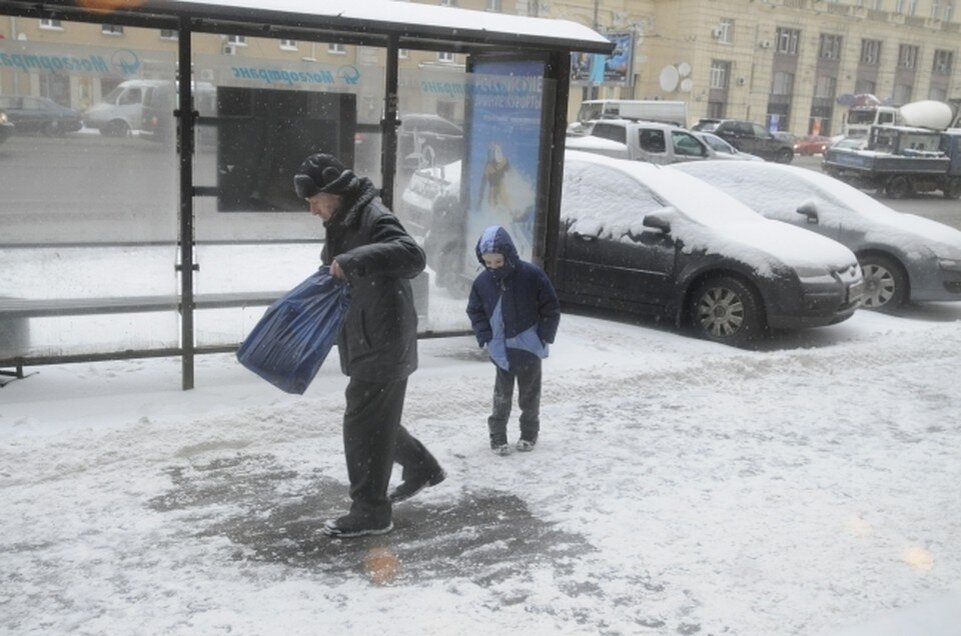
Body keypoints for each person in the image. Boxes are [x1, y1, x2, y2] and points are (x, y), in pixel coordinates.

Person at [293, 152, 445, 538]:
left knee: (362, 423)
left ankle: (372, 511)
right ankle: (421, 465)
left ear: (331, 192)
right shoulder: (346, 218)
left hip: (384, 337)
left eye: (314, 203)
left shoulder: (373, 215)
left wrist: (354, 259)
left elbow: (412, 256)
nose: (313, 211)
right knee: (372, 416)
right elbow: (343, 263)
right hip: (367, 334)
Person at [466, 225, 560, 455]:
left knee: (530, 395)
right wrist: (485, 336)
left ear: (509, 255)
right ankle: (497, 436)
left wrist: (544, 335)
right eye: (488, 263)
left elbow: (550, 306)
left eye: (498, 262)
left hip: (529, 347)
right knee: (501, 396)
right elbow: (475, 311)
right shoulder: (482, 283)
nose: (494, 267)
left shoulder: (531, 276)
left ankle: (529, 433)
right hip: (500, 349)